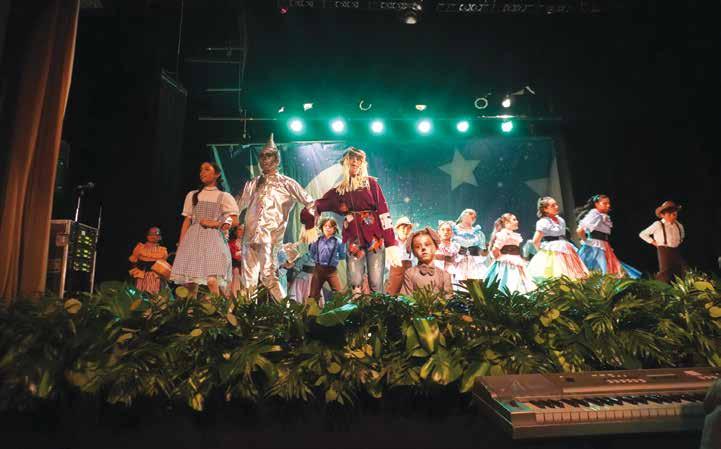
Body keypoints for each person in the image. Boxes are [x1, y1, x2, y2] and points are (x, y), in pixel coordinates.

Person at [301, 147, 400, 294]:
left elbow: (384, 212)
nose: (355, 161)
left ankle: (378, 307)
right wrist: (309, 222)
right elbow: (318, 205)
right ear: (344, 163)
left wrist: (391, 242)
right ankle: (357, 307)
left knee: (376, 281)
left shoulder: (371, 184)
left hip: (375, 238)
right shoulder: (339, 191)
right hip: (354, 239)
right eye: (351, 159)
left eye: (358, 159)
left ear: (363, 164)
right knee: (355, 282)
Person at [236, 133, 316, 301]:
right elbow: (237, 206)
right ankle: (246, 312)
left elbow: (310, 203)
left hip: (270, 237)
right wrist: (226, 221)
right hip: (250, 236)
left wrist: (308, 225)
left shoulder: (287, 183)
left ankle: (287, 312)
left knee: (268, 276)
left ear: (277, 159)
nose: (265, 160)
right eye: (262, 156)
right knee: (248, 279)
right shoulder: (253, 183)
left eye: (269, 156)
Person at [171, 162, 238, 297]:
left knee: (212, 280)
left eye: (207, 169)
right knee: (191, 282)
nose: (202, 172)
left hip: (214, 240)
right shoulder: (193, 195)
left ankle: (218, 308)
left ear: (217, 174)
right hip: (193, 239)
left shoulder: (224, 196)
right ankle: (191, 308)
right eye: (201, 170)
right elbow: (187, 220)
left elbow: (234, 220)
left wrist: (216, 223)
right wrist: (181, 244)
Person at [575, 194, 641, 278]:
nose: (608, 205)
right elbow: (580, 230)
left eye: (608, 203)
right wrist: (586, 241)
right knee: (602, 270)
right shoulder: (595, 215)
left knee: (610, 269)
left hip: (604, 245)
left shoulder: (601, 215)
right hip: (596, 246)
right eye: (605, 203)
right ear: (596, 204)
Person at [527, 196, 588, 281]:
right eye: (553, 205)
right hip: (553, 250)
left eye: (556, 204)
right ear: (545, 209)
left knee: (572, 273)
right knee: (557, 273)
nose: (556, 207)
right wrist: (541, 252)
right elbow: (535, 241)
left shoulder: (561, 220)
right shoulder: (543, 222)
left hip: (565, 248)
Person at [485, 213, 536, 294]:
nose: (517, 221)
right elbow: (495, 249)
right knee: (508, 280)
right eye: (514, 220)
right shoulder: (504, 234)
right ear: (506, 222)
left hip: (516, 260)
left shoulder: (513, 235)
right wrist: (501, 259)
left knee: (519, 281)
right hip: (506, 262)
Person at [639, 200, 687, 283]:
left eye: (674, 214)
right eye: (669, 214)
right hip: (664, 250)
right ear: (662, 215)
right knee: (665, 273)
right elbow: (643, 234)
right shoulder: (658, 224)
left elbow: (682, 237)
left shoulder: (679, 225)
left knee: (679, 271)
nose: (673, 216)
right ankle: (661, 288)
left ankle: (678, 288)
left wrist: (678, 242)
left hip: (676, 250)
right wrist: (654, 242)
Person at [400, 227, 453, 299]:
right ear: (413, 252)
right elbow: (406, 299)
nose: (423, 248)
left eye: (427, 244)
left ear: (436, 247)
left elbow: (449, 300)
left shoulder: (444, 275)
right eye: (417, 247)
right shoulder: (410, 273)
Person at [308, 217, 346, 300]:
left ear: (334, 229)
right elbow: (312, 253)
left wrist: (334, 259)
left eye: (330, 226)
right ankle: (312, 308)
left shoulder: (338, 241)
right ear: (322, 227)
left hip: (331, 271)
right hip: (318, 270)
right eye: (325, 226)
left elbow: (342, 255)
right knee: (313, 294)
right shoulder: (317, 240)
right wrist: (318, 259)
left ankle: (339, 307)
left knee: (338, 293)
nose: (327, 228)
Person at [128, 226, 169, 295]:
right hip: (141, 275)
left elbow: (163, 265)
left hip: (155, 277)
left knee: (154, 295)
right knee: (138, 294)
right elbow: (134, 260)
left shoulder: (162, 250)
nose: (153, 236)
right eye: (150, 234)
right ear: (147, 236)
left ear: (160, 237)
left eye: (156, 234)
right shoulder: (140, 247)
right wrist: (135, 274)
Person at [452, 208, 489, 281]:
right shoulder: (453, 231)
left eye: (474, 216)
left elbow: (483, 252)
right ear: (462, 216)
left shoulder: (478, 233)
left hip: (475, 266)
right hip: (458, 265)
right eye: (470, 213)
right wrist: (459, 253)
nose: (473, 216)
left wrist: (478, 253)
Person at [386, 217, 415, 295]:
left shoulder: (413, 242)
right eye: (403, 228)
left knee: (408, 295)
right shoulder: (392, 242)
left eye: (408, 228)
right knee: (393, 294)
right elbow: (387, 259)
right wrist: (394, 269)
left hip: (409, 270)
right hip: (395, 270)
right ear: (397, 229)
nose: (406, 230)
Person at [434, 220, 460, 285]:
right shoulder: (434, 246)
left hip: (452, 278)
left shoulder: (456, 246)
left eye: (448, 230)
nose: (445, 232)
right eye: (443, 230)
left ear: (452, 233)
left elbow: (459, 262)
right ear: (438, 232)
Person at [227, 225, 244, 298]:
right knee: (235, 271)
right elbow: (234, 256)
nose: (242, 231)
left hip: (245, 268)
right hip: (234, 267)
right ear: (236, 231)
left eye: (243, 230)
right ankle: (235, 296)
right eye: (239, 229)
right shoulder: (231, 243)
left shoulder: (249, 244)